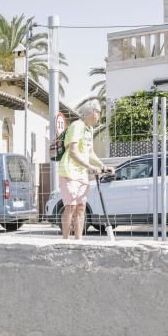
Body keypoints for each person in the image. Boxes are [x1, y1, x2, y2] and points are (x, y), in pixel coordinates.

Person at [58, 100, 113, 240]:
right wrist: (90, 167)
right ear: (93, 112)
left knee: (81, 207)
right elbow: (72, 152)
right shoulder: (77, 126)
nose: (100, 115)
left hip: (81, 173)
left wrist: (102, 166)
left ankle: (79, 240)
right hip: (69, 172)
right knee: (70, 207)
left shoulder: (90, 129)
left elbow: (90, 153)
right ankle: (65, 240)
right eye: (99, 112)